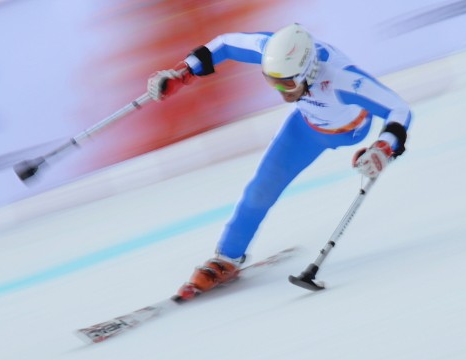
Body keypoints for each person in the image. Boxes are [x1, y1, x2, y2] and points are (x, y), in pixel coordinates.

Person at [146, 23, 412, 299]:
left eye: (287, 83)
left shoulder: (341, 79)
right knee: (259, 190)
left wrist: (383, 147)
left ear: (309, 71)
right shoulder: (273, 51)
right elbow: (224, 44)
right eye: (271, 80)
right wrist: (183, 72)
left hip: (351, 130)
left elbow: (399, 108)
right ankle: (226, 258)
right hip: (306, 129)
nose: (280, 91)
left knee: (267, 181)